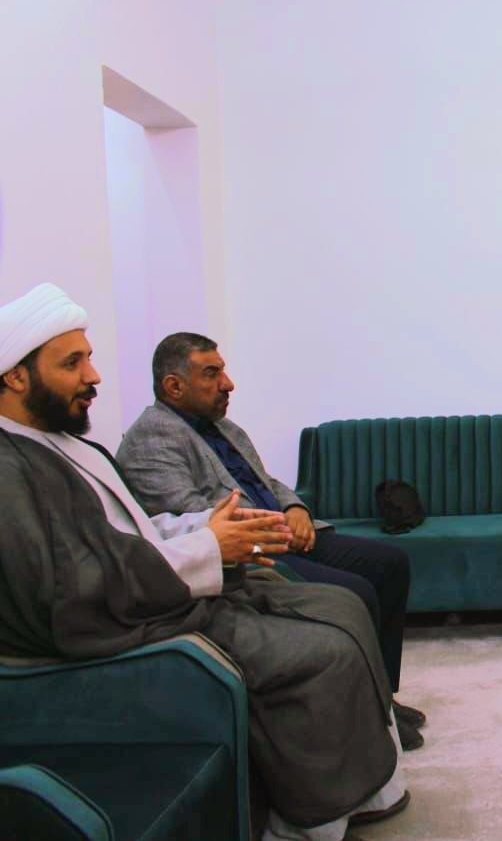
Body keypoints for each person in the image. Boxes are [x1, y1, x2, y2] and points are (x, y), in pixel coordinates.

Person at [0, 283, 409, 841]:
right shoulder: (11, 470)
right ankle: (313, 819)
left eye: (89, 358)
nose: (94, 376)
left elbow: (139, 529)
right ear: (16, 376)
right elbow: (70, 587)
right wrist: (212, 545)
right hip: (124, 624)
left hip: (178, 573)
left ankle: (371, 749)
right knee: (325, 647)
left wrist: (236, 525)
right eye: (73, 363)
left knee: (341, 602)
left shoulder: (72, 445)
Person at [115, 332, 426, 750]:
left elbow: (266, 481)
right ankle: (367, 714)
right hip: (252, 553)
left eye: (223, 371)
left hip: (285, 532)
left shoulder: (223, 427)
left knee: (390, 564)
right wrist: (277, 526)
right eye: (212, 373)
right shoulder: (152, 439)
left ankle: (382, 695)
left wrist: (295, 508)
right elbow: (195, 519)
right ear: (174, 386)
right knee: (356, 591)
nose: (228, 383)